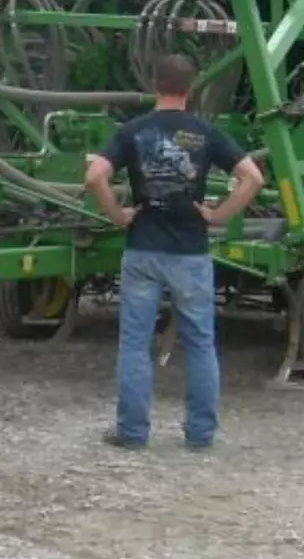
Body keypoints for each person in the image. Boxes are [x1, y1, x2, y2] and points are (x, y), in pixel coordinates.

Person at [84, 53, 265, 450]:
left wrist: (118, 215)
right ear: (191, 88)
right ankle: (200, 435)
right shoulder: (205, 132)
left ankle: (133, 433)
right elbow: (253, 178)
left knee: (135, 344)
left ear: (155, 84)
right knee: (200, 343)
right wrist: (219, 215)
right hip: (191, 254)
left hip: (143, 250)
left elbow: (95, 175)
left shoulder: (133, 131)